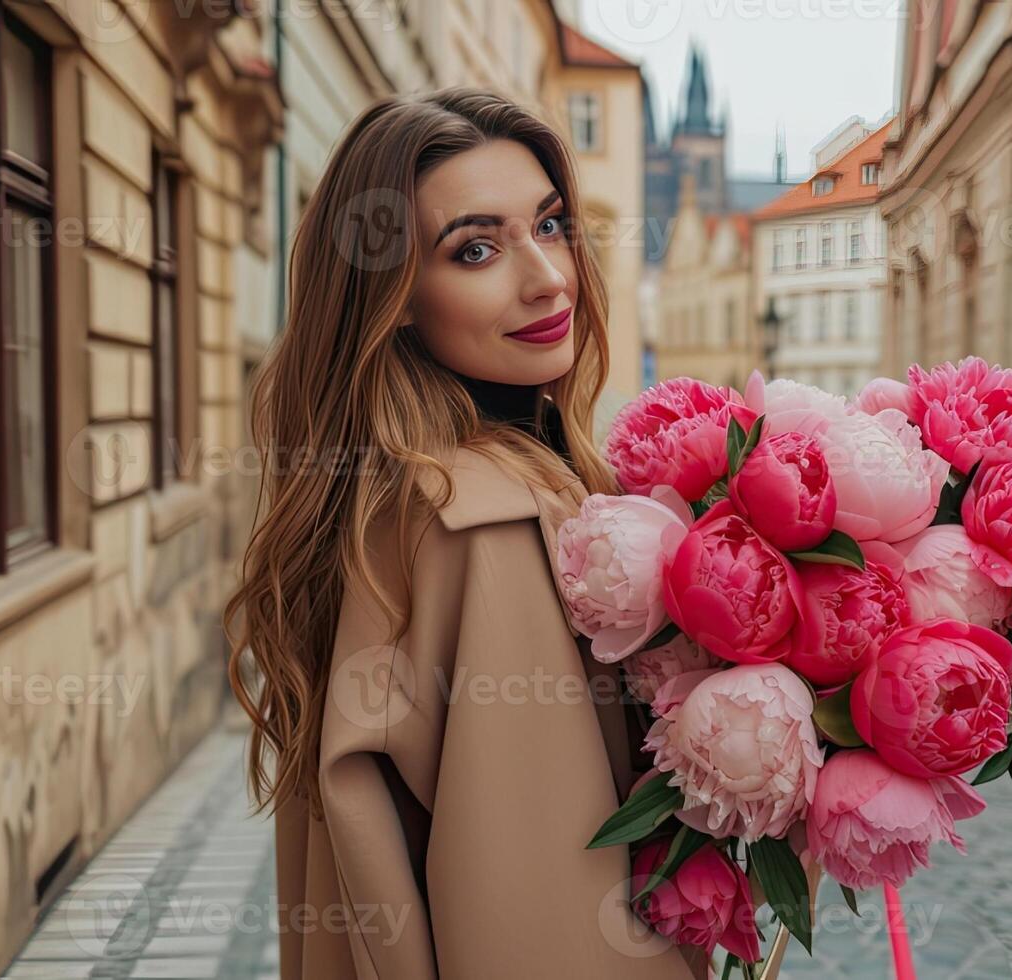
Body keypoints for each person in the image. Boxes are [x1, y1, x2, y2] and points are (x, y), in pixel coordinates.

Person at [225, 88, 712, 980]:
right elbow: (543, 908)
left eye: (551, 225)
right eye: (477, 249)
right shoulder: (483, 523)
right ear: (395, 295)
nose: (547, 278)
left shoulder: (393, 490)